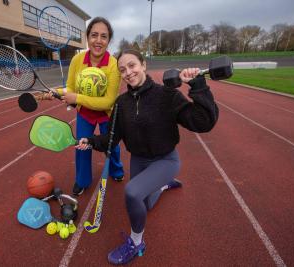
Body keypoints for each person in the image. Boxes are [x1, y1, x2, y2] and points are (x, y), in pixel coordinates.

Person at [76, 49, 219, 265]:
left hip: (165, 160)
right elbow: (112, 139)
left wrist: (198, 86)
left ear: (143, 65)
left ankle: (136, 242)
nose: (128, 72)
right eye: (122, 69)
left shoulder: (167, 95)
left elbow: (203, 122)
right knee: (145, 205)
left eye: (132, 65)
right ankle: (162, 186)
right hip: (139, 159)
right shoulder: (122, 104)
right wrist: (91, 141)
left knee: (132, 193)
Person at [44, 17, 124, 196]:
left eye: (104, 36)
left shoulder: (113, 65)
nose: (98, 40)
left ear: (109, 40)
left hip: (106, 113)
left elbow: (109, 101)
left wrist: (76, 97)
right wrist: (55, 91)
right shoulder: (77, 59)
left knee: (112, 146)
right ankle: (82, 180)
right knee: (82, 146)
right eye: (94, 35)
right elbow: (70, 87)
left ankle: (116, 170)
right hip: (85, 113)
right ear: (87, 37)